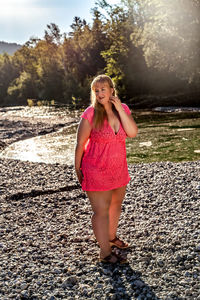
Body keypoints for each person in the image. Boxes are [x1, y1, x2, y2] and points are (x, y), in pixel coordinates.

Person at [75, 74, 138, 263]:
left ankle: (111, 238)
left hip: (119, 169)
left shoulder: (123, 109)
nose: (100, 93)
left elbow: (133, 133)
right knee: (101, 211)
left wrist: (119, 107)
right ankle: (104, 253)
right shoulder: (90, 114)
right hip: (95, 169)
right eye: (96, 90)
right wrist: (77, 169)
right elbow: (80, 144)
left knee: (116, 205)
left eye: (103, 89)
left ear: (111, 90)